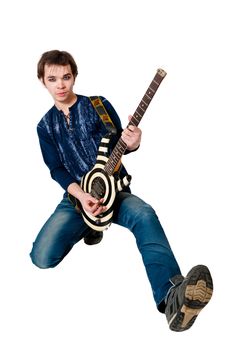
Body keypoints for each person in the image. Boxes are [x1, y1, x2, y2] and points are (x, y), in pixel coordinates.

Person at [30, 50, 213, 332]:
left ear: (74, 76)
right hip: (78, 198)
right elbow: (56, 169)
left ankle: (173, 297)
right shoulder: (45, 126)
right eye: (53, 79)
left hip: (115, 191)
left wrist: (134, 142)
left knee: (144, 214)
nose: (61, 84)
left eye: (66, 77)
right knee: (42, 258)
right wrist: (81, 196)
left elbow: (119, 143)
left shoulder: (98, 105)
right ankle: (89, 227)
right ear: (43, 81)